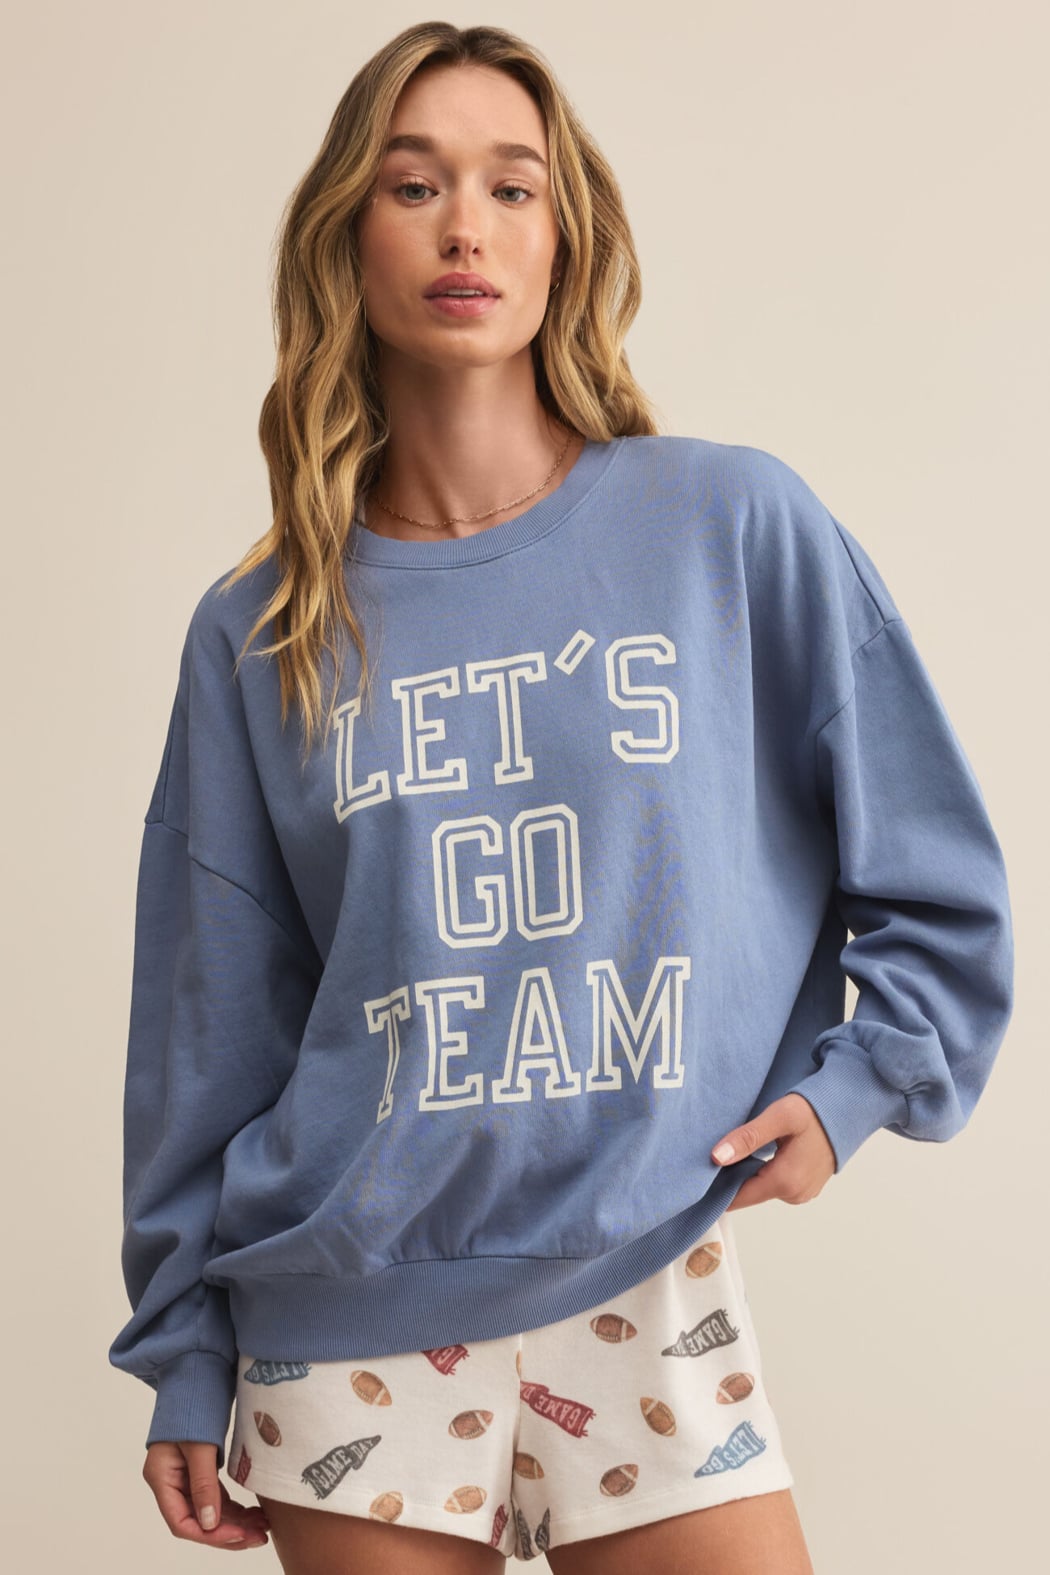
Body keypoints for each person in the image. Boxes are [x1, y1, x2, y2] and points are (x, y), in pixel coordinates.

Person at [108, 20, 1014, 1575]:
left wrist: (855, 1088)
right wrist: (184, 1344)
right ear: (346, 239)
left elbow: (935, 873)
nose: (464, 226)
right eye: (413, 186)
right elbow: (212, 1018)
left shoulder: (725, 528)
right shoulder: (261, 627)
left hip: (646, 1276)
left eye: (510, 187)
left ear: (562, 235)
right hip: (344, 1306)